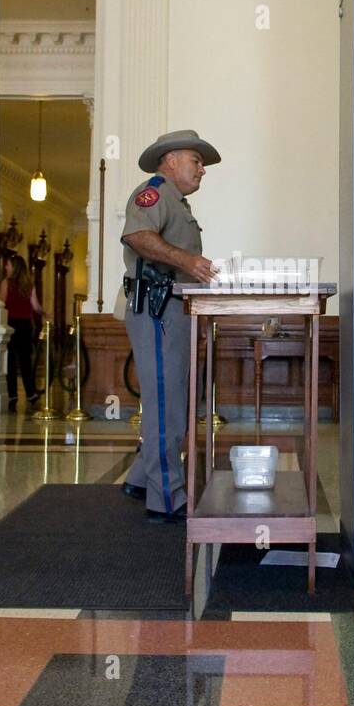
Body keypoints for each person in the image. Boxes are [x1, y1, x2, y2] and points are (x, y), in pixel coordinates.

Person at [119, 129, 221, 522]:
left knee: (173, 396)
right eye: (196, 161)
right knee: (167, 402)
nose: (202, 170)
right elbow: (136, 236)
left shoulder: (176, 202)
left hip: (172, 309)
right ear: (171, 160)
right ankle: (167, 497)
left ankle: (141, 479)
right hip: (158, 308)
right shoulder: (155, 192)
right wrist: (186, 261)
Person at [0, 253, 44, 411]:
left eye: (8, 264)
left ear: (14, 267)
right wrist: (45, 314)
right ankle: (31, 394)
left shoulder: (6, 283)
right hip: (26, 326)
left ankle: (12, 395)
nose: (6, 267)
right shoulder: (29, 284)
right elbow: (36, 306)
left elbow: (1, 304)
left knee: (10, 361)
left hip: (11, 324)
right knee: (26, 362)